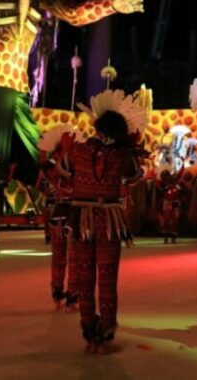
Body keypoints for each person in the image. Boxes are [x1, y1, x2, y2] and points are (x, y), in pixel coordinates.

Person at [64, 90, 146, 353]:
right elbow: (136, 177)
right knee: (107, 277)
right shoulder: (123, 156)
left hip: (81, 220)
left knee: (84, 276)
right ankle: (107, 326)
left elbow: (63, 170)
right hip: (109, 220)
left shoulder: (77, 150)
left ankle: (89, 327)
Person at [37, 127, 76, 310]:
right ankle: (65, 297)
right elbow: (45, 162)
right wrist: (46, 147)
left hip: (62, 216)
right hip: (69, 217)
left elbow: (44, 162)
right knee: (69, 258)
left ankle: (61, 296)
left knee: (61, 258)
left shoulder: (60, 167)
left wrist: (45, 148)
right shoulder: (61, 169)